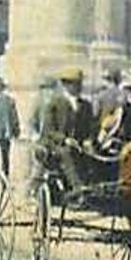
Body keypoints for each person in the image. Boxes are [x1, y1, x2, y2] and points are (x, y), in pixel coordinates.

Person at [38, 68, 95, 196]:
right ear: (66, 85)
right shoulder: (54, 104)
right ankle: (78, 187)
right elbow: (49, 131)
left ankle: (94, 186)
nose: (79, 87)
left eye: (80, 83)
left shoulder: (86, 105)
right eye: (75, 84)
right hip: (54, 145)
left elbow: (90, 127)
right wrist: (64, 139)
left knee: (94, 153)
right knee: (66, 153)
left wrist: (88, 140)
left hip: (78, 145)